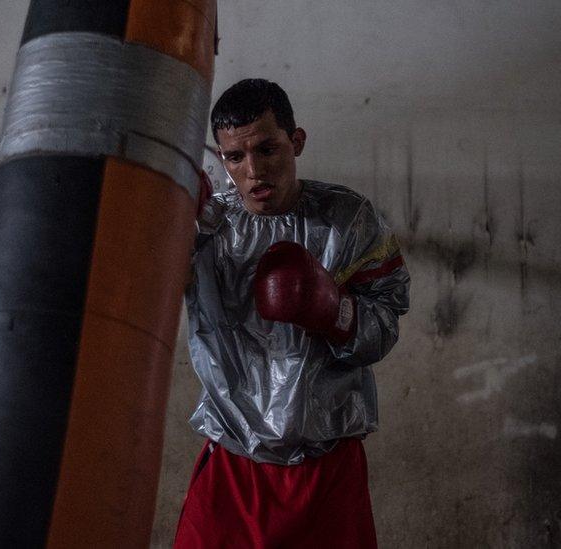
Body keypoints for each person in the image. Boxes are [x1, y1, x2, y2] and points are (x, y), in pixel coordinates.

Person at [174, 78, 410, 548]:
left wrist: (335, 312)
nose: (254, 171)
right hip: (233, 460)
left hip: (326, 465)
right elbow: (140, 294)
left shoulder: (349, 220)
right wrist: (165, 216)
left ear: (296, 141)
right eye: (235, 158)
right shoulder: (202, 227)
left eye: (267, 149)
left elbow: (386, 324)